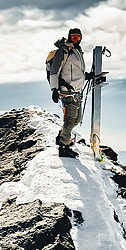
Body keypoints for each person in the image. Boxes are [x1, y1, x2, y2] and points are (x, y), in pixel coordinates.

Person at [49, 28, 92, 157]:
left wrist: (86, 76)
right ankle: (64, 147)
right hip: (66, 91)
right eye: (73, 37)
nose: (76, 40)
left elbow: (75, 72)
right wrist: (54, 89)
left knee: (77, 120)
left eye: (78, 38)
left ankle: (62, 136)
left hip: (76, 91)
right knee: (70, 120)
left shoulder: (78, 52)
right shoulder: (63, 51)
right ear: (69, 37)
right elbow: (54, 71)